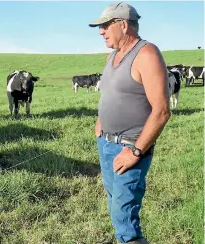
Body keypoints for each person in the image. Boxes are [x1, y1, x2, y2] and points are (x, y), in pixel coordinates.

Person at [89, 2, 171, 244]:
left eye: (104, 26)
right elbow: (112, 94)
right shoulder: (112, 56)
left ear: (123, 25)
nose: (100, 31)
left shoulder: (147, 54)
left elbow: (162, 111)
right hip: (107, 143)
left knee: (124, 215)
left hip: (130, 147)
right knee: (115, 202)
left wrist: (136, 151)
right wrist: (100, 122)